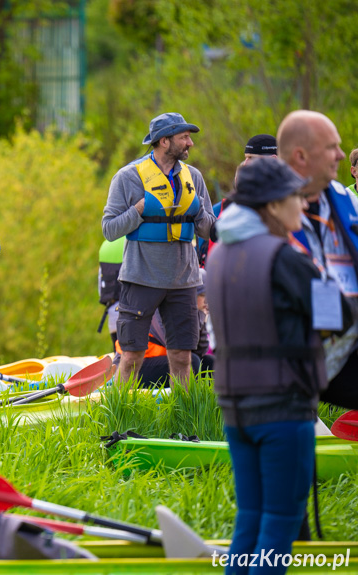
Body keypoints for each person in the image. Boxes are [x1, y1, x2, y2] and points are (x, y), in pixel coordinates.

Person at [207, 156, 349, 575]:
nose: (303, 205)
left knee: (250, 518)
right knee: (281, 523)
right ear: (271, 206)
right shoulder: (284, 258)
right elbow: (338, 316)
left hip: (235, 408)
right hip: (283, 408)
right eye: (294, 196)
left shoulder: (218, 255)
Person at [102, 112, 216, 386]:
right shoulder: (127, 177)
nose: (190, 143)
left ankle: (184, 419)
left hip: (184, 280)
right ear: (164, 141)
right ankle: (119, 419)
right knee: (130, 357)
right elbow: (109, 229)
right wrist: (139, 210)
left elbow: (209, 229)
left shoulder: (193, 177)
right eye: (184, 137)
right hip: (141, 278)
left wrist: (198, 211)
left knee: (182, 356)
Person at [279, 110, 358, 410]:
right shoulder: (260, 206)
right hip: (291, 353)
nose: (341, 155)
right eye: (331, 147)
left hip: (343, 342)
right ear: (301, 156)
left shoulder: (344, 198)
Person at [199, 134, 279, 268]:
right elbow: (216, 235)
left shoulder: (288, 198)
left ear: (273, 160)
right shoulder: (229, 204)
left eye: (252, 158)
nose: (246, 164)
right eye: (245, 157)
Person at [97, 237, 124, 352]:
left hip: (113, 318)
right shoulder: (136, 242)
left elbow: (101, 288)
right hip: (137, 317)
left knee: (120, 363)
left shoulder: (106, 246)